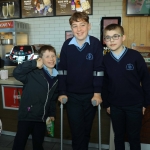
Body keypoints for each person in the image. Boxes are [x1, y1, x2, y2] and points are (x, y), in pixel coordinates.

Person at [58, 11, 104, 150]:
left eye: (82, 25)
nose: (79, 29)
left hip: (90, 96)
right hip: (72, 96)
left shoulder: (95, 43)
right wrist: (62, 92)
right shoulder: (67, 45)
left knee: (86, 129)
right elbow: (62, 70)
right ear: (71, 28)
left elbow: (98, 70)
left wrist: (97, 93)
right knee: (77, 130)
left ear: (89, 26)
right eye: (75, 26)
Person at [102, 24, 150, 150]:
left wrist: (145, 103)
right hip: (115, 106)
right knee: (118, 136)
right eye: (108, 37)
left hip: (134, 105)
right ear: (105, 40)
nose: (111, 40)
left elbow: (146, 80)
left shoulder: (135, 56)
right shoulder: (105, 60)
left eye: (115, 36)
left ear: (123, 37)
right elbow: (104, 84)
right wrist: (107, 104)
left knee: (134, 137)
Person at [12, 45, 58, 150]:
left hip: (41, 118)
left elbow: (52, 98)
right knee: (19, 143)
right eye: (47, 56)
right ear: (40, 59)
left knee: (38, 144)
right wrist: (34, 63)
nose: (51, 59)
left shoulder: (56, 78)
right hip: (27, 116)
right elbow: (17, 72)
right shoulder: (32, 73)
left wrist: (51, 114)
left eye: (53, 56)